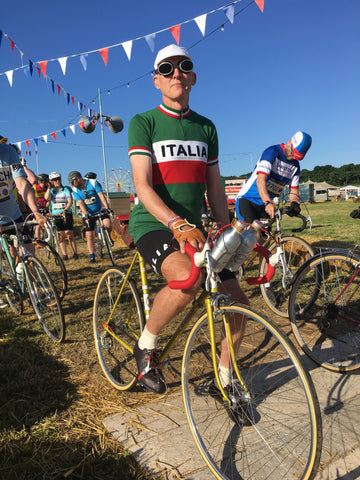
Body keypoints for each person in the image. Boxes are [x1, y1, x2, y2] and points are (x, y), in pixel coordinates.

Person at [127, 44, 249, 412]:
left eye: (184, 66)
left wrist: (231, 232)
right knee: (187, 280)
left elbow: (214, 186)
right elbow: (142, 187)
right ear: (156, 80)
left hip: (194, 229)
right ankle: (146, 346)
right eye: (166, 68)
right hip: (155, 222)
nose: (175, 72)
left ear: (193, 77)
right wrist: (176, 223)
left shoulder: (206, 126)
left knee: (239, 305)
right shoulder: (143, 122)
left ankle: (223, 381)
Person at [0, 135, 46, 307]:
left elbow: (22, 183)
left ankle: (36, 293)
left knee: (28, 254)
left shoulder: (8, 152)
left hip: (13, 214)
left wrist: (35, 212)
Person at [235, 132, 312, 228]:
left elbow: (294, 190)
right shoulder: (272, 152)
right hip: (248, 200)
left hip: (265, 205)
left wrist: (295, 203)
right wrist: (268, 202)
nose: (293, 158)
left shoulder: (295, 166)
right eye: (293, 153)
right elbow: (260, 180)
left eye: (297, 157)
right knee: (253, 236)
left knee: (266, 239)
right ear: (290, 141)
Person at [68, 170, 111, 263]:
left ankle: (107, 236)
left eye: (73, 182)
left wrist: (107, 208)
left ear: (77, 179)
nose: (73, 185)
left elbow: (101, 196)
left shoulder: (93, 183)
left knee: (107, 224)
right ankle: (92, 256)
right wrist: (86, 215)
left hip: (99, 209)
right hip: (89, 213)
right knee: (89, 235)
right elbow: (80, 203)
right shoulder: (75, 190)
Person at [45, 172, 78, 260]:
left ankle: (75, 253)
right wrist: (49, 187)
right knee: (61, 236)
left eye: (58, 178)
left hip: (66, 214)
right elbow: (46, 198)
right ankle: (65, 255)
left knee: (69, 234)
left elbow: (70, 201)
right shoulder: (52, 191)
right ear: (51, 181)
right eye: (55, 180)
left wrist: (65, 210)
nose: (57, 181)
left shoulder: (65, 190)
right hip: (56, 215)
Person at [33, 173, 50, 240]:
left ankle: (52, 239)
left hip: (45, 207)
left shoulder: (47, 188)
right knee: (38, 226)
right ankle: (38, 240)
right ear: (44, 181)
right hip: (38, 209)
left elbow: (49, 199)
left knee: (49, 222)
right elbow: (33, 199)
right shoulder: (35, 188)